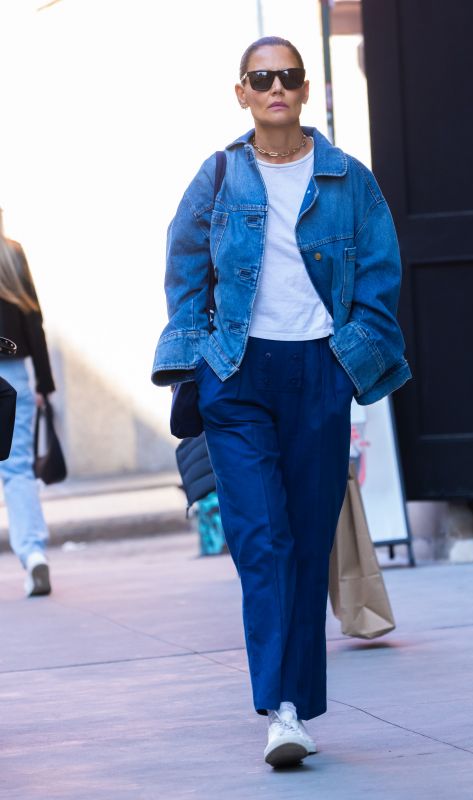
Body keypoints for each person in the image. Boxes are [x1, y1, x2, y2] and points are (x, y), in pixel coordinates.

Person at [152, 36, 411, 767]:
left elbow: (381, 280)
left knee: (301, 541)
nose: (275, 88)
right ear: (241, 92)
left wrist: (348, 354)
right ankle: (282, 710)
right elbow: (183, 271)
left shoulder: (347, 180)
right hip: (237, 376)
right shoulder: (218, 176)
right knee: (260, 538)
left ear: (302, 91)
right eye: (261, 78)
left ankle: (295, 698)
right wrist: (200, 355)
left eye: (287, 77)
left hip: (318, 373)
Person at [0, 210, 55, 596]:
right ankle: (34, 555)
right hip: (13, 373)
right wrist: (44, 384)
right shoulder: (12, 254)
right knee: (16, 469)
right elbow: (34, 322)